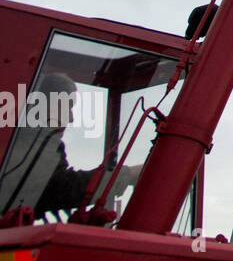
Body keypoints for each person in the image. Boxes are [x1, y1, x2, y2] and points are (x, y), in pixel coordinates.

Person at [0, 74, 141, 221]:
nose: (72, 118)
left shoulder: (25, 144)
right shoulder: (23, 148)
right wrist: (128, 174)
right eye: (68, 107)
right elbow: (60, 188)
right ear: (45, 107)